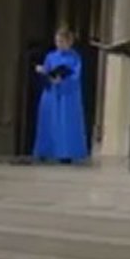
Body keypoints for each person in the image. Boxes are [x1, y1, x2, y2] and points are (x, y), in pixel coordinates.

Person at [32, 29, 88, 163]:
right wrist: (44, 72)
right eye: (57, 41)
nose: (59, 44)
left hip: (67, 95)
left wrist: (62, 80)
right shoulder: (50, 56)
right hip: (51, 93)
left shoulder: (75, 57)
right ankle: (45, 151)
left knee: (65, 122)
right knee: (48, 121)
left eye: (62, 41)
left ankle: (66, 152)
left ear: (69, 42)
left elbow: (76, 76)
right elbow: (47, 70)